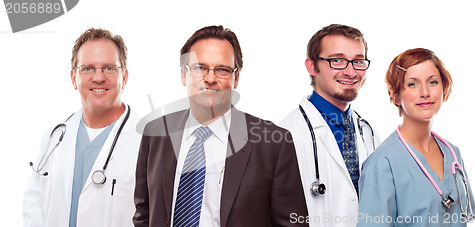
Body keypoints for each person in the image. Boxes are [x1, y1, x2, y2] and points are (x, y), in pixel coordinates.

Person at [133, 25, 308, 227]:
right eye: (200, 68)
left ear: (236, 79)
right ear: (184, 75)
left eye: (222, 70)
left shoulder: (273, 143)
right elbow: (143, 214)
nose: (210, 78)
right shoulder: (156, 133)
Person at [23, 28, 141, 227]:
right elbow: (34, 205)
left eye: (109, 68)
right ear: (73, 78)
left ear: (125, 78)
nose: (98, 78)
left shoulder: (148, 140)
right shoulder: (55, 136)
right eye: (87, 69)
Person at [358, 48, 475, 226]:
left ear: (444, 89)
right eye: (413, 84)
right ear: (396, 96)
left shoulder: (453, 153)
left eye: (433, 82)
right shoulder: (382, 163)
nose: (425, 92)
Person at [279, 24, 381, 227]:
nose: (351, 72)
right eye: (338, 61)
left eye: (358, 61)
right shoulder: (284, 135)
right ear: (311, 66)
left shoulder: (368, 132)